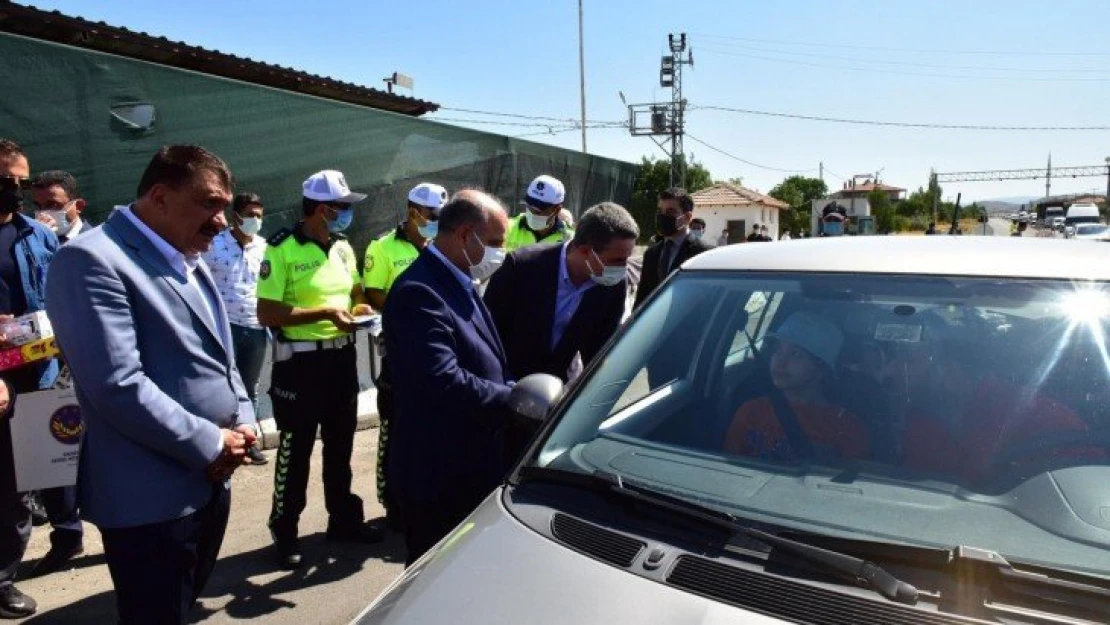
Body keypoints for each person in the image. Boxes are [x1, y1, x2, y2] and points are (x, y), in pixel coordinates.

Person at [45, 145, 256, 625]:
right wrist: (211, 441)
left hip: (206, 481)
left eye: (224, 207)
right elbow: (117, 385)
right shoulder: (90, 260)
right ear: (160, 196)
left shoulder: (184, 251)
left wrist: (242, 418)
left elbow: (220, 355)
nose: (221, 222)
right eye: (209, 204)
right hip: (150, 499)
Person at [257, 170, 382, 571]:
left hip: (341, 357)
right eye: (342, 207)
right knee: (296, 451)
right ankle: (286, 529)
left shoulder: (343, 247)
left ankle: (343, 519)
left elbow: (355, 291)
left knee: (340, 446)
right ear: (321, 208)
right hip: (301, 364)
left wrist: (358, 306)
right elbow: (267, 311)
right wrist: (325, 312)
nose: (347, 214)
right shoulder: (281, 249)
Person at [383, 189, 514, 565]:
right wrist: (513, 398)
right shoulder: (419, 291)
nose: (499, 253)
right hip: (440, 476)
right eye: (494, 243)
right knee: (435, 585)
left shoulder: (458, 280)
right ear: (463, 235)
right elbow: (441, 381)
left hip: (471, 467)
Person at [485, 203, 638, 460]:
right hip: (504, 395)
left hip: (558, 399)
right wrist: (505, 390)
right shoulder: (522, 267)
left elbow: (600, 351)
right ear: (586, 250)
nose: (623, 268)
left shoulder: (611, 285)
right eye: (617, 260)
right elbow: (488, 336)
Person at [362, 182, 448, 529]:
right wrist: (414, 306)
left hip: (438, 347)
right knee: (394, 428)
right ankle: (392, 502)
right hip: (400, 348)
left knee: (435, 427)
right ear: (413, 212)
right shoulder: (382, 248)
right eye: (432, 215)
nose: (437, 221)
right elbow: (374, 293)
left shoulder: (443, 246)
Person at [0, 139, 59, 619]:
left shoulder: (39, 237)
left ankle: (2, 580)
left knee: (20, 486)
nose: (15, 190)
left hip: (35, 378)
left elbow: (57, 303)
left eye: (22, 181)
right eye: (5, 180)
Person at [724, 312, 868, 462]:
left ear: (821, 370)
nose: (780, 362)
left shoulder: (847, 429)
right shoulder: (751, 412)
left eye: (796, 354)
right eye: (777, 350)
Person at [201, 192, 269, 466]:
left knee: (248, 386)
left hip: (254, 326)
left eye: (259, 216)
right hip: (222, 327)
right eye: (250, 215)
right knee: (219, 386)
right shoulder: (214, 245)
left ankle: (248, 440)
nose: (255, 220)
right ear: (236, 216)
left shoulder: (265, 247)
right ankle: (219, 444)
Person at [632, 187, 711, 310]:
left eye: (670, 211)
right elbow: (642, 299)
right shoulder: (651, 254)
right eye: (660, 211)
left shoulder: (704, 253)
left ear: (687, 217)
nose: (663, 217)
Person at [505, 175, 574, 252]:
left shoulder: (570, 240)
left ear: (557, 210)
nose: (531, 213)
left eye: (538, 211)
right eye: (529, 207)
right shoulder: (506, 228)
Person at [30, 171, 93, 243]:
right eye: (37, 206)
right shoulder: (33, 241)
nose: (43, 213)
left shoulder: (93, 242)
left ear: (78, 206)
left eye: (53, 204)